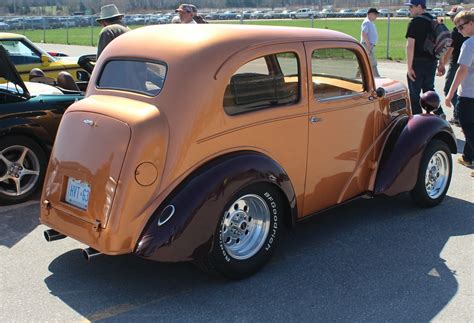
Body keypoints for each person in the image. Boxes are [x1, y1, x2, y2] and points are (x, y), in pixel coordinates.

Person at [444, 11, 474, 177]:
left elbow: (462, 70)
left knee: (468, 127)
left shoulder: (469, 44)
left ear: (471, 23)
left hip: (469, 95)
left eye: (461, 26)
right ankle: (469, 157)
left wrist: (449, 94)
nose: (459, 30)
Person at [405, 0, 445, 117]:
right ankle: (439, 112)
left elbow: (410, 45)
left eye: (411, 7)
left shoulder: (415, 22)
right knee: (429, 89)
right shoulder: (434, 21)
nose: (409, 9)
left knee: (414, 93)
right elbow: (440, 44)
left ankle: (418, 118)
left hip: (417, 62)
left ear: (419, 6)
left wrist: (409, 67)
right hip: (432, 62)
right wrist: (441, 63)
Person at [437, 6, 468, 126]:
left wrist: (442, 65)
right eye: (450, 16)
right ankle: (459, 116)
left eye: (453, 16)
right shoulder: (468, 30)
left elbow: (450, 50)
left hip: (457, 64)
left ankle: (459, 115)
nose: (451, 18)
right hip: (468, 64)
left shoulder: (456, 32)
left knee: (449, 89)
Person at [361, 8, 380, 77]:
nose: (376, 16)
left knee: (363, 63)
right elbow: (364, 33)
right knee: (373, 63)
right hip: (367, 45)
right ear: (370, 14)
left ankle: (356, 77)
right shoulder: (367, 22)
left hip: (368, 45)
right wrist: (368, 45)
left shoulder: (370, 22)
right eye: (375, 14)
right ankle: (377, 77)